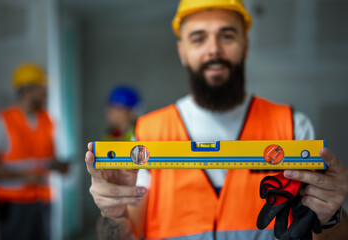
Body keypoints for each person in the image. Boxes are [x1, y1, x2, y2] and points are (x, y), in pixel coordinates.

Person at [85, 0, 348, 239]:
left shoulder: (292, 126)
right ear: (182, 51)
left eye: (227, 35)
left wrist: (331, 216)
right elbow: (128, 234)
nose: (214, 49)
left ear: (246, 45)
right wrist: (114, 213)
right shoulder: (149, 131)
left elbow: (320, 234)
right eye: (198, 39)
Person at [0, 63, 68, 240]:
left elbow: (45, 159)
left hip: (43, 200)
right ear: (28, 90)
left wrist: (59, 166)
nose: (46, 90)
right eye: (42, 86)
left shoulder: (48, 120)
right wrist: (24, 177)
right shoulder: (3, 122)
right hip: (14, 203)